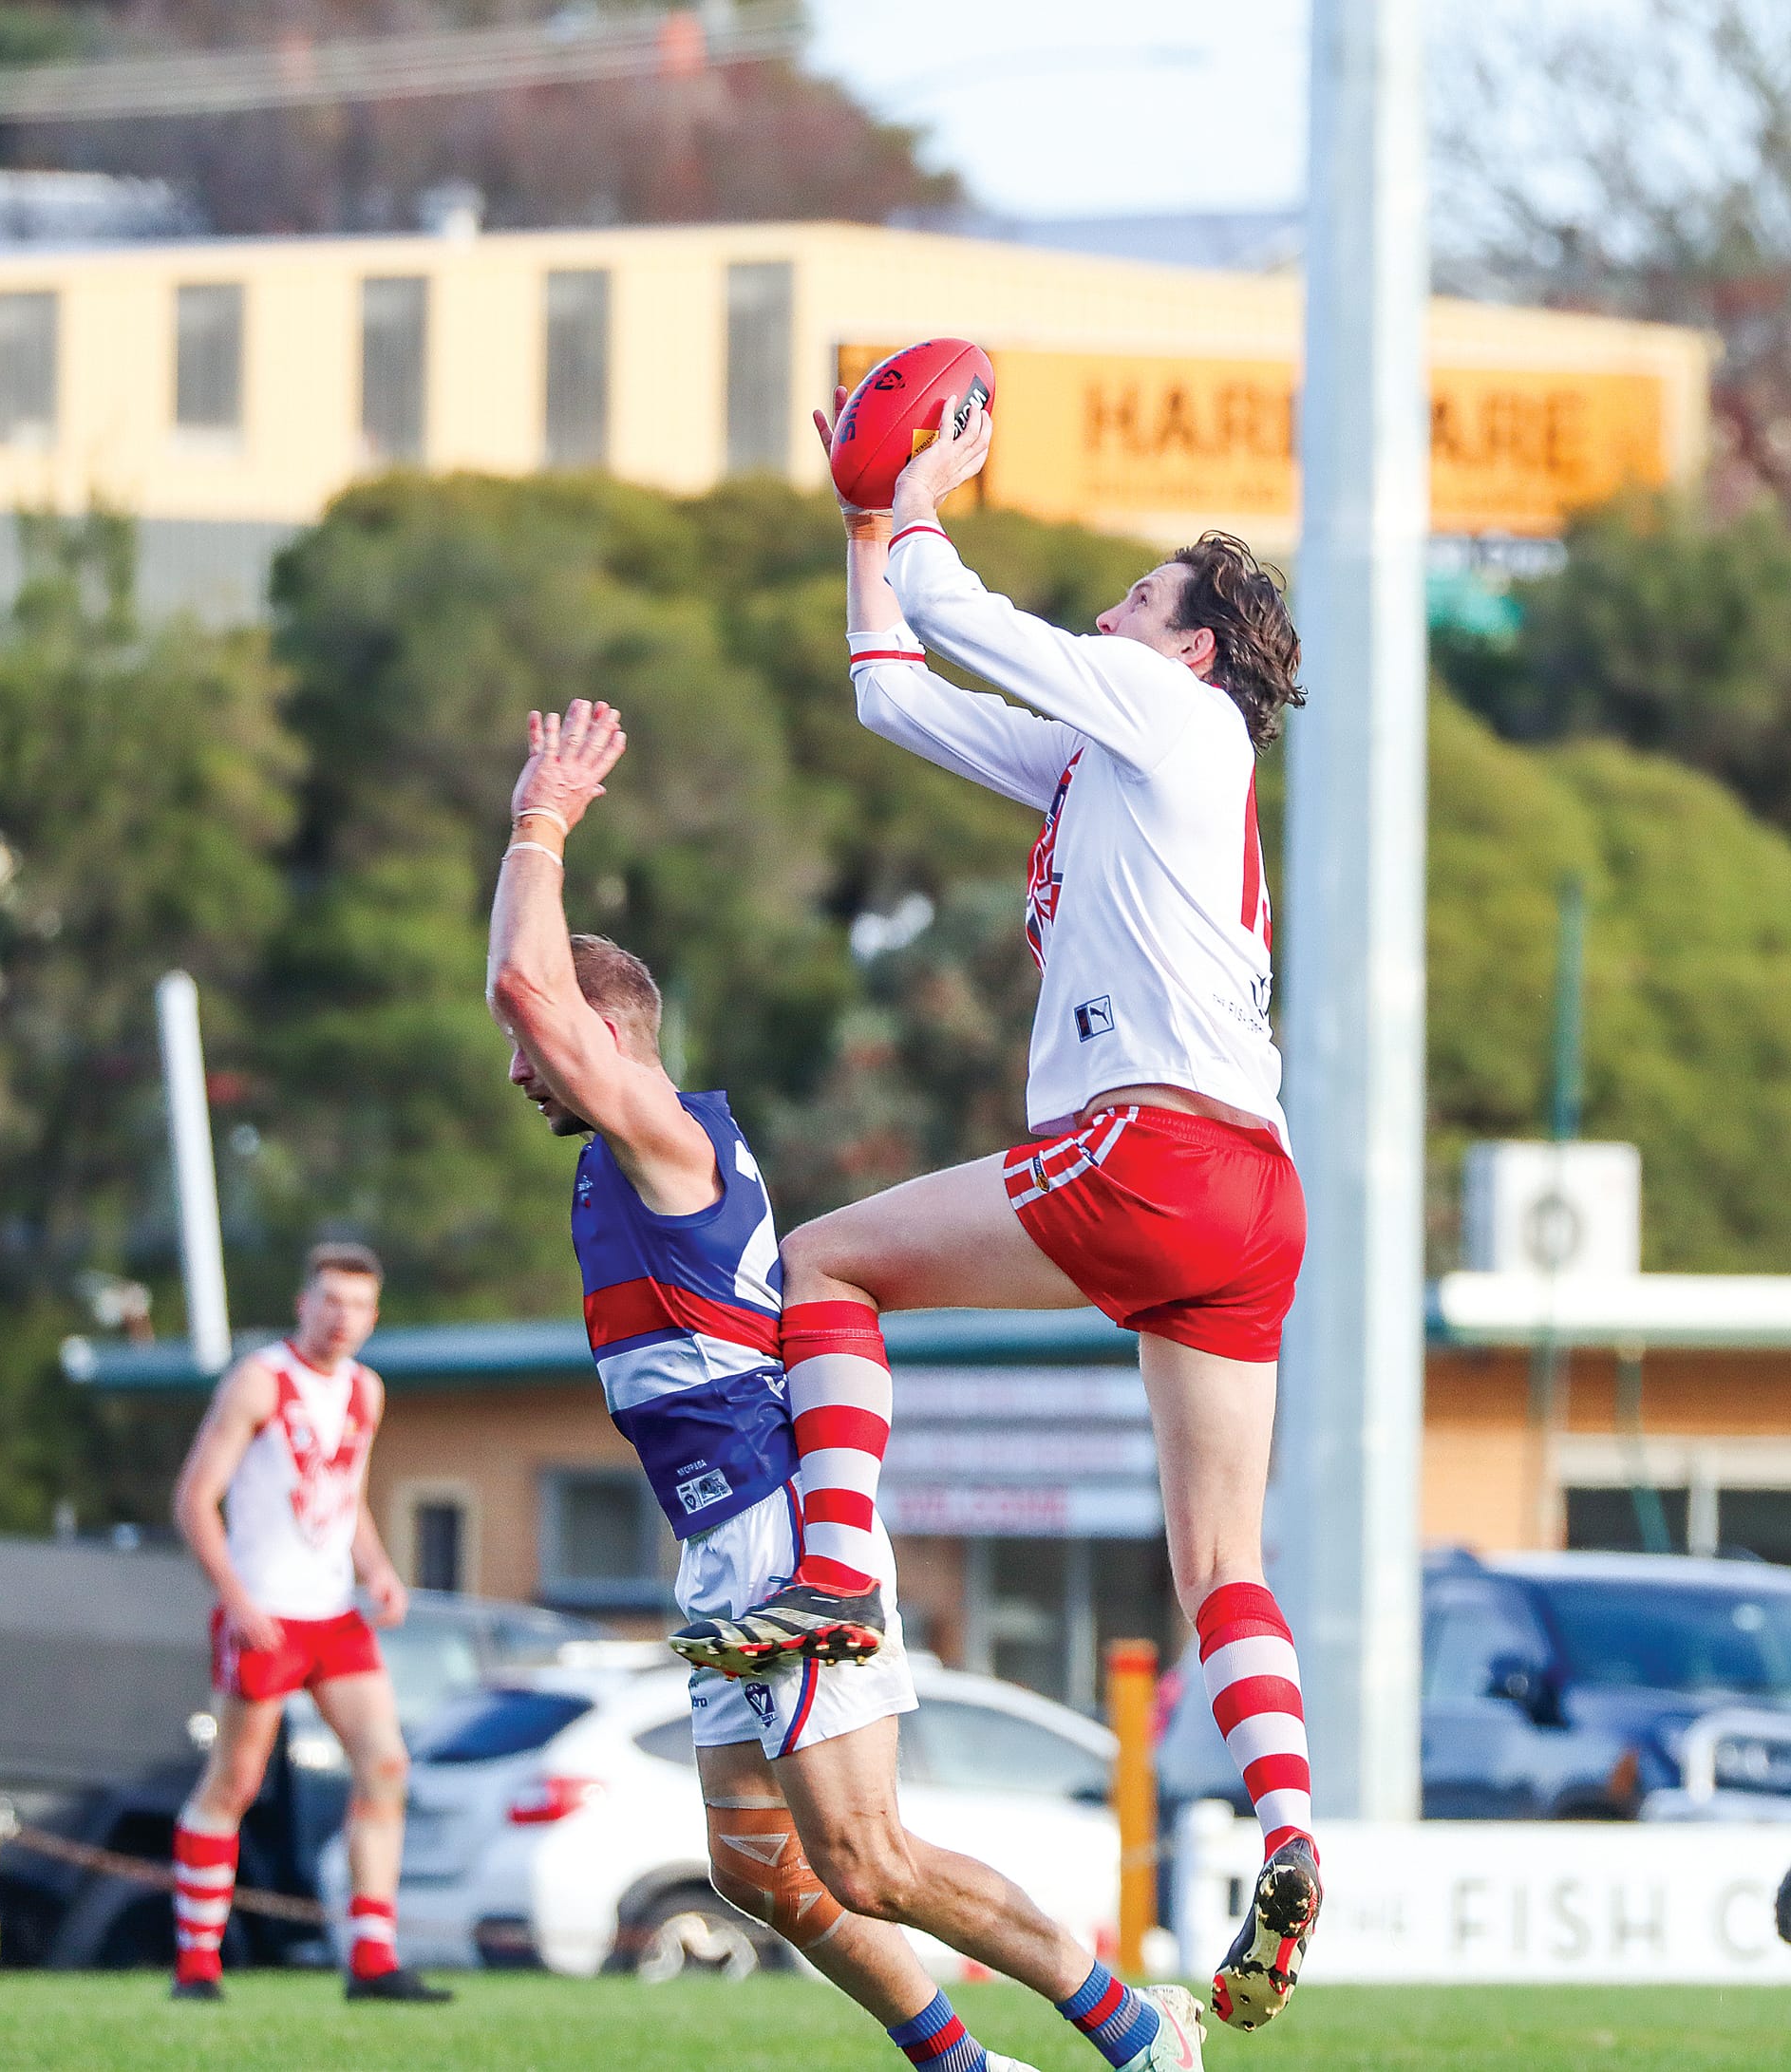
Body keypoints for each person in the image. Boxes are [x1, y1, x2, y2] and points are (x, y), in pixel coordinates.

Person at [672, 388, 1319, 2033]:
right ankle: (1294, 1829)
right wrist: (855, 524)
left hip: (1152, 1151)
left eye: (1140, 597)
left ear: (1192, 649)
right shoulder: (1102, 755)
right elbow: (895, 688)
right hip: (1253, 1192)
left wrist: (921, 483)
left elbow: (959, 608)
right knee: (1219, 1560)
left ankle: (829, 1573)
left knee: (824, 1259)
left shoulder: (1186, 722)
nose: (1112, 609)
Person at [486, 698, 1204, 2072]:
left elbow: (533, 989)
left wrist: (542, 820)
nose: (519, 1065)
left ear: (613, 1036)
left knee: (868, 1854)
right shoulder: (612, 1152)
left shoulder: (666, 1134)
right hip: (718, 1537)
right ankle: (964, 2064)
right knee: (761, 1868)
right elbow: (519, 985)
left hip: (776, 1527)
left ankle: (1132, 2030)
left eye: (543, 1044)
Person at [168, 1243, 448, 2004]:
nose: (342, 1318)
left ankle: (371, 1960)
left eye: (357, 1305)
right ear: (303, 1303)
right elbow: (196, 1500)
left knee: (385, 1765)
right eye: (329, 1300)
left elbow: (342, 1493)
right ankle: (196, 1965)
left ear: (375, 1315)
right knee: (236, 1781)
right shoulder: (262, 1381)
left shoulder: (365, 1390)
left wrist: (379, 1569)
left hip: (332, 1615)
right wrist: (237, 1601)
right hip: (266, 1611)